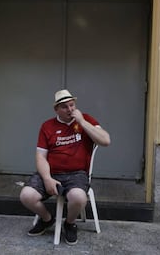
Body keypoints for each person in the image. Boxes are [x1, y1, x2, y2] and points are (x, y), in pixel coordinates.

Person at [19, 89, 111, 245]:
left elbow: (105, 141)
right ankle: (47, 219)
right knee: (26, 195)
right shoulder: (47, 126)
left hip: (77, 174)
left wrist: (82, 122)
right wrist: (47, 178)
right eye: (64, 107)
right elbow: (40, 156)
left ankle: (69, 223)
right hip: (51, 172)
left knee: (79, 197)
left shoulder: (86, 119)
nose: (70, 110)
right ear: (56, 109)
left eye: (72, 105)